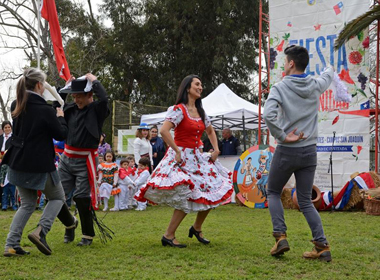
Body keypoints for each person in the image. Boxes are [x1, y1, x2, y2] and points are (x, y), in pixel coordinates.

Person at [135, 74, 233, 247]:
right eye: (197, 84)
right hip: (181, 158)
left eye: (201, 84)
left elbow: (210, 131)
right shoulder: (179, 109)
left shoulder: (201, 112)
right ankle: (169, 235)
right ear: (188, 87)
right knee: (185, 193)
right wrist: (176, 150)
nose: (200, 87)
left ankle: (196, 227)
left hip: (197, 157)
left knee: (213, 189)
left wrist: (216, 149)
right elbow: (164, 131)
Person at [263, 45, 334, 262]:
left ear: (291, 63)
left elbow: (268, 115)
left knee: (273, 191)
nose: (284, 65)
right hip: (309, 152)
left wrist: (283, 137)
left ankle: (280, 237)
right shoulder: (314, 84)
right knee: (304, 200)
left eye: (285, 62)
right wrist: (330, 66)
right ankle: (322, 246)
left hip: (287, 150)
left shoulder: (279, 88)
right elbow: (328, 76)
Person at [2, 68, 76, 257]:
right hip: (40, 164)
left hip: (18, 162)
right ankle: (40, 231)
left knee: (26, 204)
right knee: (58, 198)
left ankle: (11, 245)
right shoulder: (45, 110)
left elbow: (39, 111)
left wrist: (60, 97)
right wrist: (61, 118)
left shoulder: (15, 104)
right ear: (39, 85)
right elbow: (61, 134)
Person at [57, 73, 112, 246]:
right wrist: (66, 88)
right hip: (66, 159)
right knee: (56, 196)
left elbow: (104, 99)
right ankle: (70, 223)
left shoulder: (97, 110)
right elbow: (55, 105)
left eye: (79, 96)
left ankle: (87, 234)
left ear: (89, 95)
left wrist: (95, 81)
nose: (76, 99)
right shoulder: (70, 109)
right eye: (74, 96)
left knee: (82, 197)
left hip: (85, 159)